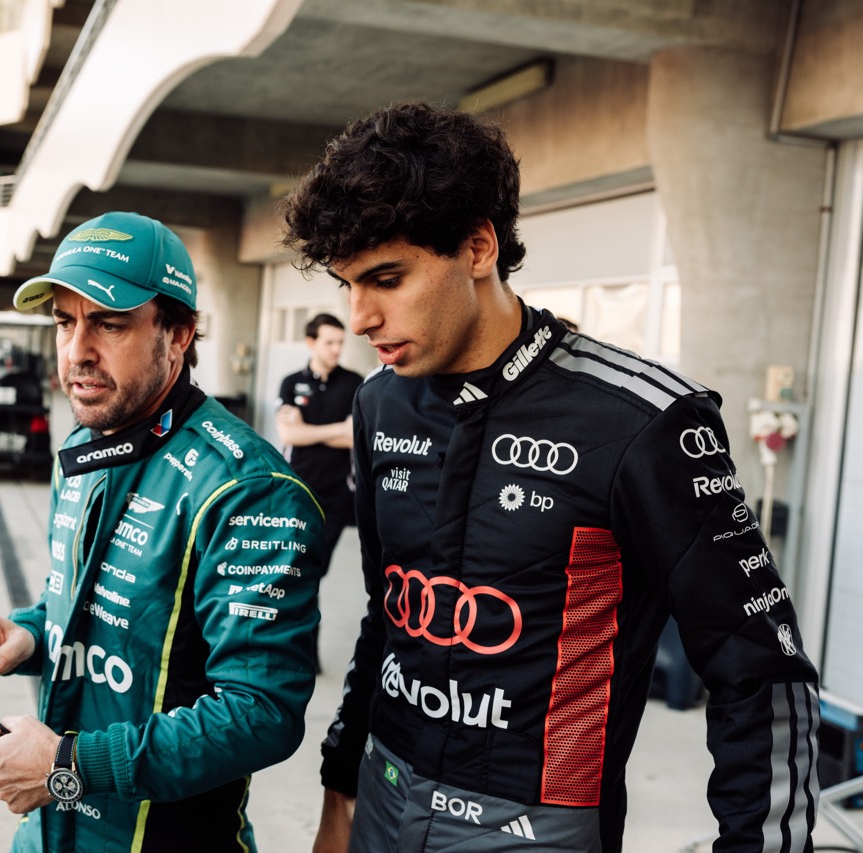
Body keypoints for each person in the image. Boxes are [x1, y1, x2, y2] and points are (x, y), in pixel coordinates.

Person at [280, 102, 820, 852]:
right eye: (347, 284)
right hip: (382, 795)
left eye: (387, 278)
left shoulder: (645, 419)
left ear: (478, 247)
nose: (361, 315)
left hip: (539, 826)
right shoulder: (379, 402)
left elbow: (760, 669)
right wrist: (340, 787)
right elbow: (387, 616)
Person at [0, 211, 324, 852]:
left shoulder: (247, 488)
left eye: (109, 323)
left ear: (178, 334)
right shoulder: (82, 446)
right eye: (65, 322)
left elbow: (262, 713)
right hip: (50, 832)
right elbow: (85, 606)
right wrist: (26, 635)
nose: (77, 351)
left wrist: (68, 764)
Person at [276, 312, 363, 668]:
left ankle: (303, 652)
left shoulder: (354, 383)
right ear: (311, 343)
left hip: (338, 497)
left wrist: (309, 431)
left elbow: (354, 436)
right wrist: (335, 430)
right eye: (329, 342)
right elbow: (289, 435)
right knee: (293, 570)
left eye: (340, 342)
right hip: (296, 493)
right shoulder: (291, 382)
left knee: (313, 571)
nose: (336, 349)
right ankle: (293, 650)